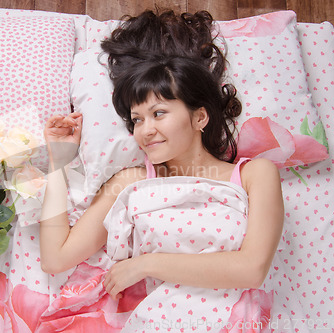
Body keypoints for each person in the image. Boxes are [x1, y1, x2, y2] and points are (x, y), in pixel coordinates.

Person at [39, 9, 284, 332]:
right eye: (137, 119)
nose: (145, 130)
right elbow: (56, 258)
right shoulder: (133, 182)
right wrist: (58, 161)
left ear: (199, 118)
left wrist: (144, 265)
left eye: (158, 113)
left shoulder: (255, 175)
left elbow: (252, 268)